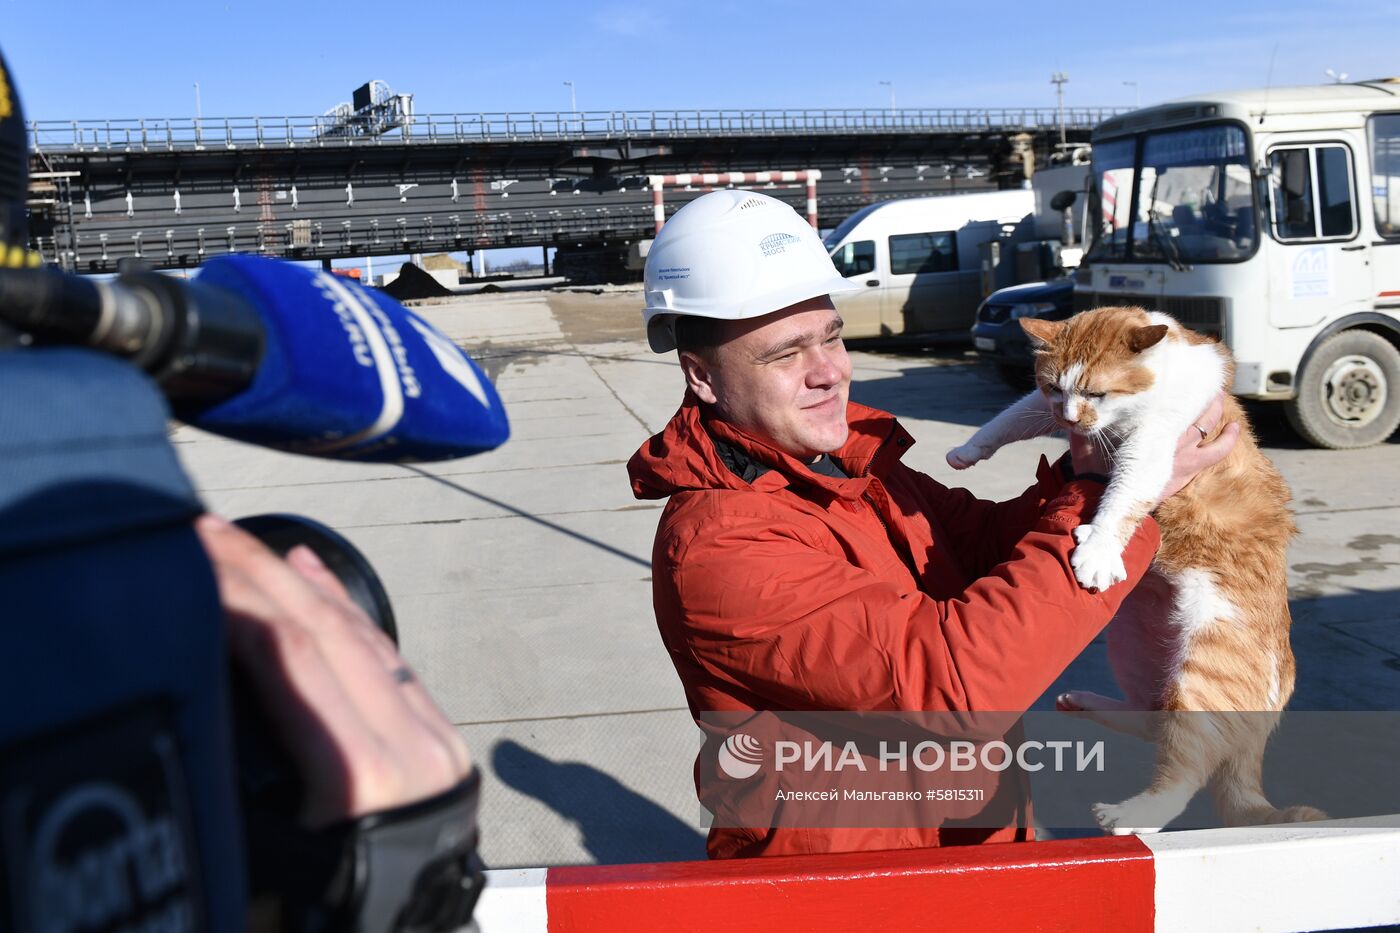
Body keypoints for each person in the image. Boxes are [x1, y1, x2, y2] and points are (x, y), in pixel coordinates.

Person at [626, 190, 1239, 859]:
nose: (829, 371)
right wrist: (1106, 500)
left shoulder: (850, 468)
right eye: (786, 354)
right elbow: (953, 687)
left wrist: (1099, 465)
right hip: (851, 891)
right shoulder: (720, 547)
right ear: (703, 377)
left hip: (961, 846)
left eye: (831, 335)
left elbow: (984, 543)